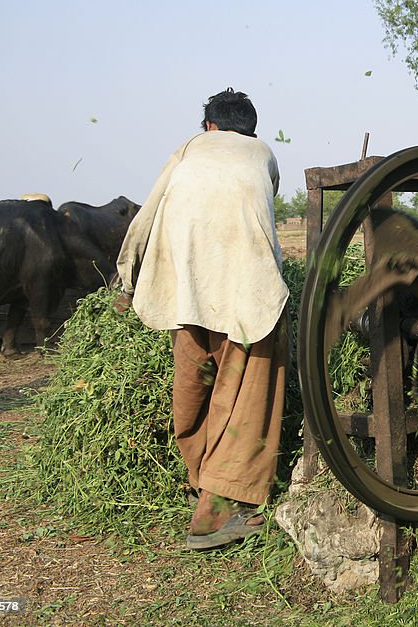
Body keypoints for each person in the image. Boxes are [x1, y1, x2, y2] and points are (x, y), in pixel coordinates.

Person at [116, 88, 289, 550]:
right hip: (247, 290)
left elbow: (147, 214)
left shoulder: (188, 150)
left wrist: (126, 280)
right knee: (248, 395)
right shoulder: (264, 154)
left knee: (192, 385)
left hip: (184, 289)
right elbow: (265, 197)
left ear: (208, 126)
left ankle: (202, 479)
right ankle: (219, 509)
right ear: (250, 127)